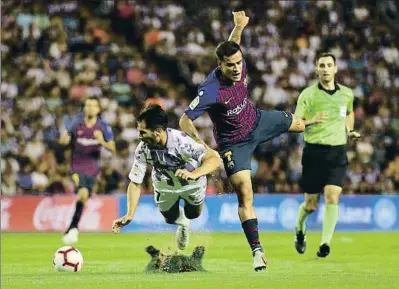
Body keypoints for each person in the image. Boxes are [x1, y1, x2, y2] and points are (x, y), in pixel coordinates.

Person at [178, 11, 325, 271]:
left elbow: (233, 43)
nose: (236, 68)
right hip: (234, 144)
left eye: (238, 63)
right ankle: (257, 251)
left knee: (302, 124)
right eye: (230, 65)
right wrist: (204, 146)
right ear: (219, 65)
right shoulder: (210, 90)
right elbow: (184, 120)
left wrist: (237, 27)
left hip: (256, 119)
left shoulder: (236, 59)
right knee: (245, 194)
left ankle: (320, 125)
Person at [112, 104, 221, 250]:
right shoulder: (143, 149)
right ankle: (183, 223)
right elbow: (135, 182)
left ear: (157, 132)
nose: (139, 136)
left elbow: (214, 160)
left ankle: (187, 219)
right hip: (165, 185)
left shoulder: (182, 142)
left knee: (193, 214)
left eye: (143, 132)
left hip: (191, 183)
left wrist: (193, 174)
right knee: (170, 218)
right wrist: (130, 214)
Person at [293, 52, 361, 258]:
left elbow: (349, 113)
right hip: (314, 152)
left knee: (332, 196)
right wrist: (311, 120)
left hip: (337, 152)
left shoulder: (347, 94)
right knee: (311, 204)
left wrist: (349, 131)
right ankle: (299, 230)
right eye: (321, 65)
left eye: (329, 65)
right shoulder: (307, 95)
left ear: (335, 68)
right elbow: (295, 122)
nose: (325, 68)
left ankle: (325, 244)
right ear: (316, 69)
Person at [60, 97, 116, 244]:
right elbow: (64, 139)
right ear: (84, 108)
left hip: (92, 170)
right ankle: (72, 229)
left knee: (83, 198)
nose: (90, 108)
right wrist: (64, 140)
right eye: (88, 105)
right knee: (82, 193)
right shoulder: (76, 123)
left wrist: (101, 140)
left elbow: (112, 148)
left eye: (93, 106)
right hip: (76, 167)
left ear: (98, 109)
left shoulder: (103, 126)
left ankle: (72, 228)